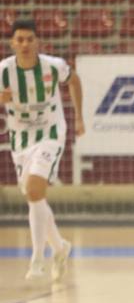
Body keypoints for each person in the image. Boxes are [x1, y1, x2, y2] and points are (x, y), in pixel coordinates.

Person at [1, 18, 84, 281]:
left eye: (29, 39)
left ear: (37, 42)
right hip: (21, 138)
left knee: (35, 189)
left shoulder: (53, 66)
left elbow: (75, 80)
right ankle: (60, 247)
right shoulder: (3, 71)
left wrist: (79, 117)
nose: (24, 44)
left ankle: (37, 259)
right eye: (20, 40)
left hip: (50, 133)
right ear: (12, 43)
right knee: (33, 196)